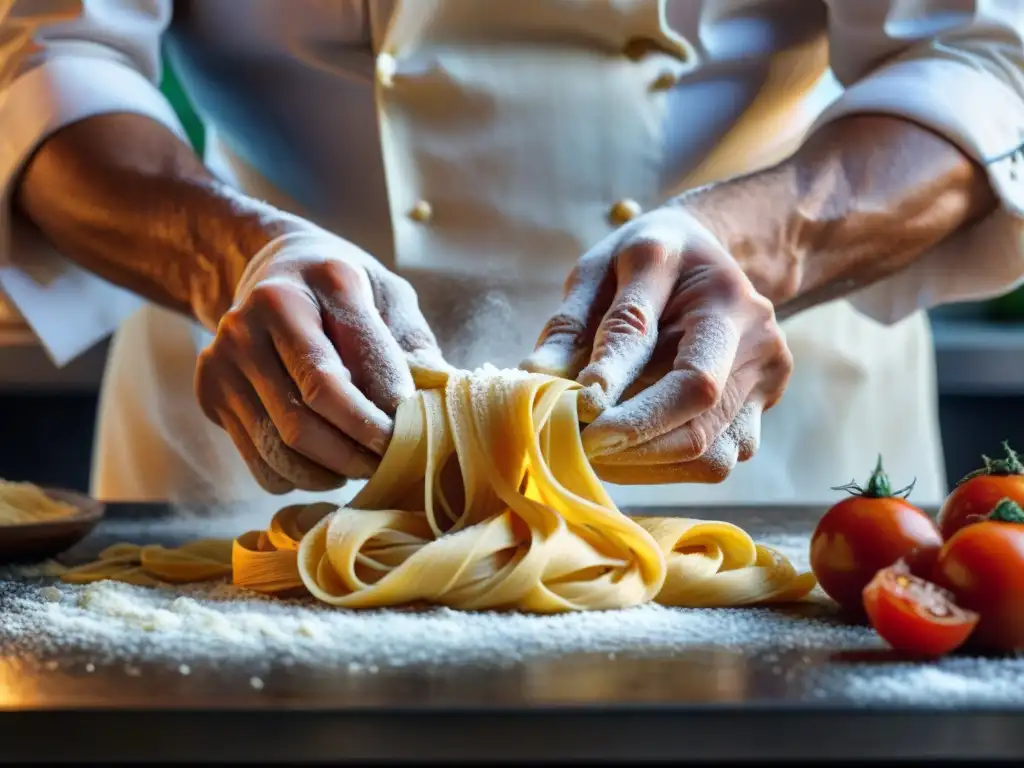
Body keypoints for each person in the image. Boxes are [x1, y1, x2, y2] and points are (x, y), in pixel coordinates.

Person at [0, 0, 1021, 515]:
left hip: (756, 411)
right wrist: (227, 255)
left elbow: (979, 56)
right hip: (266, 396)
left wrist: (760, 243)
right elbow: (45, 57)